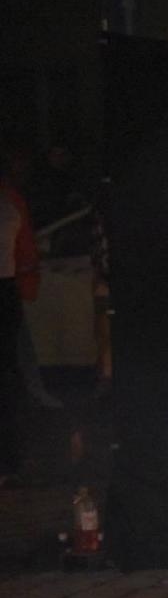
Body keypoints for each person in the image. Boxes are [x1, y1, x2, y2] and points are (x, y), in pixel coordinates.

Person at [0, 147, 40, 487]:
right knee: (9, 375)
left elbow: (25, 251)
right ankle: (11, 458)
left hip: (6, 290)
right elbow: (26, 251)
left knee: (9, 375)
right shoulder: (12, 200)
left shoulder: (11, 202)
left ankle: (10, 457)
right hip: (7, 291)